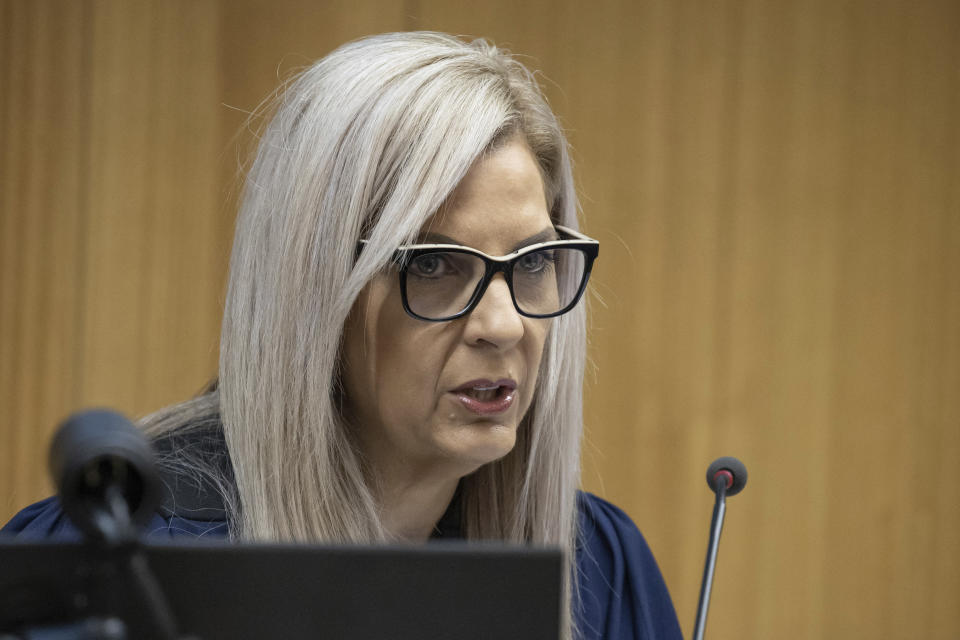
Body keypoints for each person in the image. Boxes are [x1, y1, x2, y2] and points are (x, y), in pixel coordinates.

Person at [3, 32, 682, 640]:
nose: (503, 325)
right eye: (433, 264)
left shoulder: (599, 567)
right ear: (316, 291)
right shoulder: (122, 563)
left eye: (532, 263)